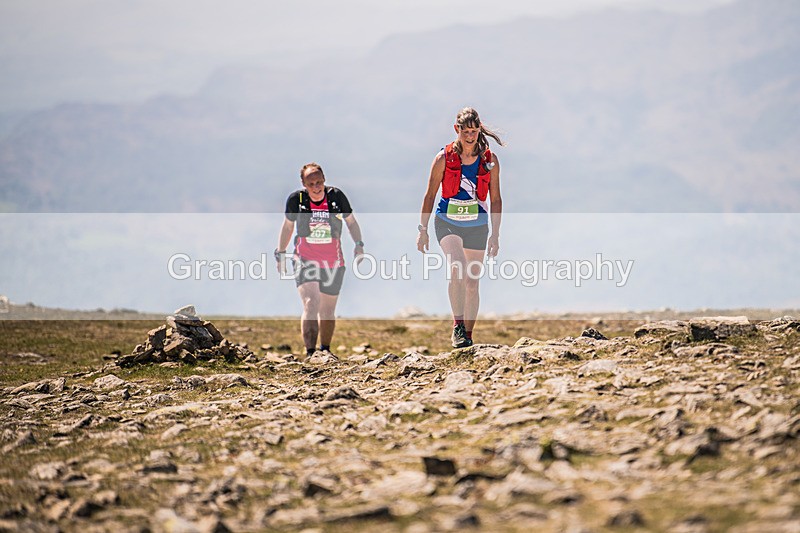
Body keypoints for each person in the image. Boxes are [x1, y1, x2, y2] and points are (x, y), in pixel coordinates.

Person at [416, 107, 504, 348]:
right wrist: (422, 230)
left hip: (477, 226)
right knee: (457, 266)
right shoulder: (443, 159)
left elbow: (495, 199)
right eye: (465, 131)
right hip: (447, 222)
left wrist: (495, 236)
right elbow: (430, 195)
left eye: (474, 131)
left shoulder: (490, 161)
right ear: (457, 130)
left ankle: (467, 335)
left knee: (472, 282)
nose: (470, 136)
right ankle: (457, 325)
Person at [276, 162, 364, 358]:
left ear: (324, 180)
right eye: (311, 184)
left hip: (333, 261)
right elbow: (288, 227)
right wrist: (280, 252)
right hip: (304, 259)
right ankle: (310, 353)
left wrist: (359, 244)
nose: (316, 187)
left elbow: (351, 222)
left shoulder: (336, 197)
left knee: (327, 309)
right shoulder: (296, 200)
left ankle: (325, 350)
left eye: (319, 182)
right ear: (303, 184)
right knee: (311, 302)